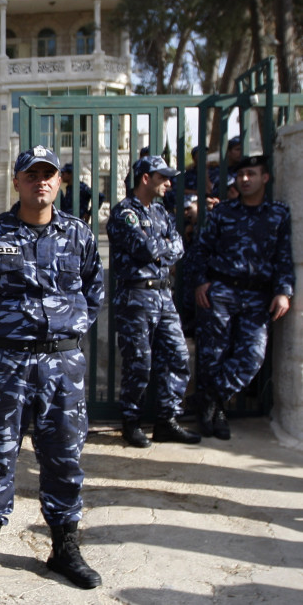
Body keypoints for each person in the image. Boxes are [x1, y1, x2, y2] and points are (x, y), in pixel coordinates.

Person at [0, 145, 104, 597]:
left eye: (49, 173)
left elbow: (94, 293)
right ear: (17, 181)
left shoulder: (79, 234)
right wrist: (3, 347)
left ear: (59, 181)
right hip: (9, 365)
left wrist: (63, 338)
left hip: (64, 367)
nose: (41, 180)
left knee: (64, 456)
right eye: (32, 173)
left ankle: (65, 547)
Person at [190, 154, 294, 440]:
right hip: (221, 291)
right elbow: (201, 250)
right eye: (241, 174)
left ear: (265, 178)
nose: (245, 179)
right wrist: (201, 282)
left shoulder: (278, 213)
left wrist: (283, 291)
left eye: (251, 173)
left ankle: (208, 397)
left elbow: (284, 257)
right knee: (213, 356)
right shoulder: (223, 213)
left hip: (258, 295)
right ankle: (214, 412)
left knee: (251, 357)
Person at [107, 156, 201, 448]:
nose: (169, 183)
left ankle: (166, 420)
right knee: (139, 362)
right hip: (136, 296)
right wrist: (163, 248)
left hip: (163, 294)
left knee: (177, 356)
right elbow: (144, 248)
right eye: (164, 177)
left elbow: (179, 247)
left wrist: (162, 248)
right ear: (145, 178)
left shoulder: (161, 211)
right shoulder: (125, 212)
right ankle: (131, 421)